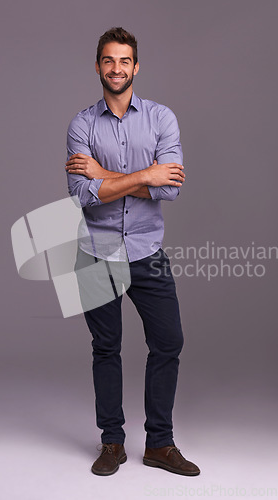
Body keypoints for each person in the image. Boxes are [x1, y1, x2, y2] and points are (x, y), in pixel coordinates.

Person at [65, 27, 200, 477]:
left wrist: (106, 174)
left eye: (124, 61)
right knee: (106, 347)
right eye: (108, 60)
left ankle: (160, 444)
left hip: (148, 249)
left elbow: (173, 190)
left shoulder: (162, 118)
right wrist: (146, 176)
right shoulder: (81, 124)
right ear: (98, 66)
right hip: (94, 250)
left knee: (169, 341)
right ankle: (112, 443)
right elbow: (83, 195)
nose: (116, 68)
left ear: (136, 66)